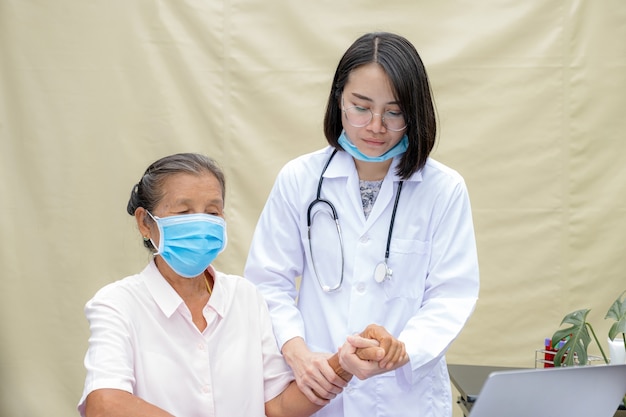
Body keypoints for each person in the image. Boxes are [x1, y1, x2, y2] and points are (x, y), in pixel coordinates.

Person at [244, 32, 480, 417]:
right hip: (317, 387)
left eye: (394, 111)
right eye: (361, 106)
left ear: (415, 112)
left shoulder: (444, 189)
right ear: (339, 100)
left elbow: (452, 293)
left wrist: (405, 348)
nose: (375, 126)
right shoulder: (300, 179)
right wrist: (297, 350)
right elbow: (268, 281)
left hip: (405, 398)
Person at [77, 152, 401, 417]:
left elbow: (277, 406)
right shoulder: (118, 303)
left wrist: (342, 363)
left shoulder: (245, 297)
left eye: (212, 211)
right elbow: (104, 404)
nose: (202, 222)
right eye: (184, 211)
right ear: (145, 223)